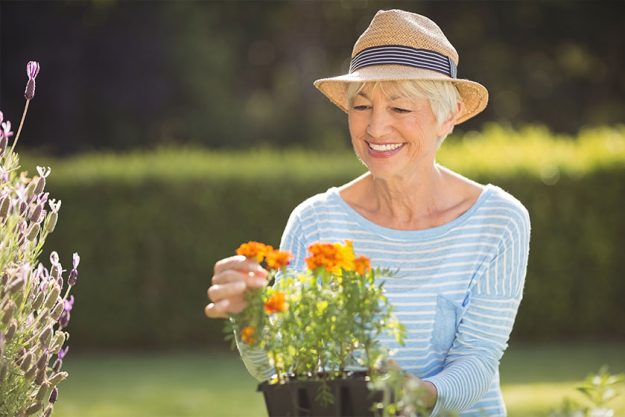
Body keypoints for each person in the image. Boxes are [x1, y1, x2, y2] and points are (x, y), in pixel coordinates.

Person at [205, 9, 530, 417]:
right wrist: (248, 318)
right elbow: (284, 370)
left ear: (448, 117)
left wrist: (417, 395)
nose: (375, 128)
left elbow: (479, 358)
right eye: (361, 107)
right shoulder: (315, 221)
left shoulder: (498, 219)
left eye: (400, 109)